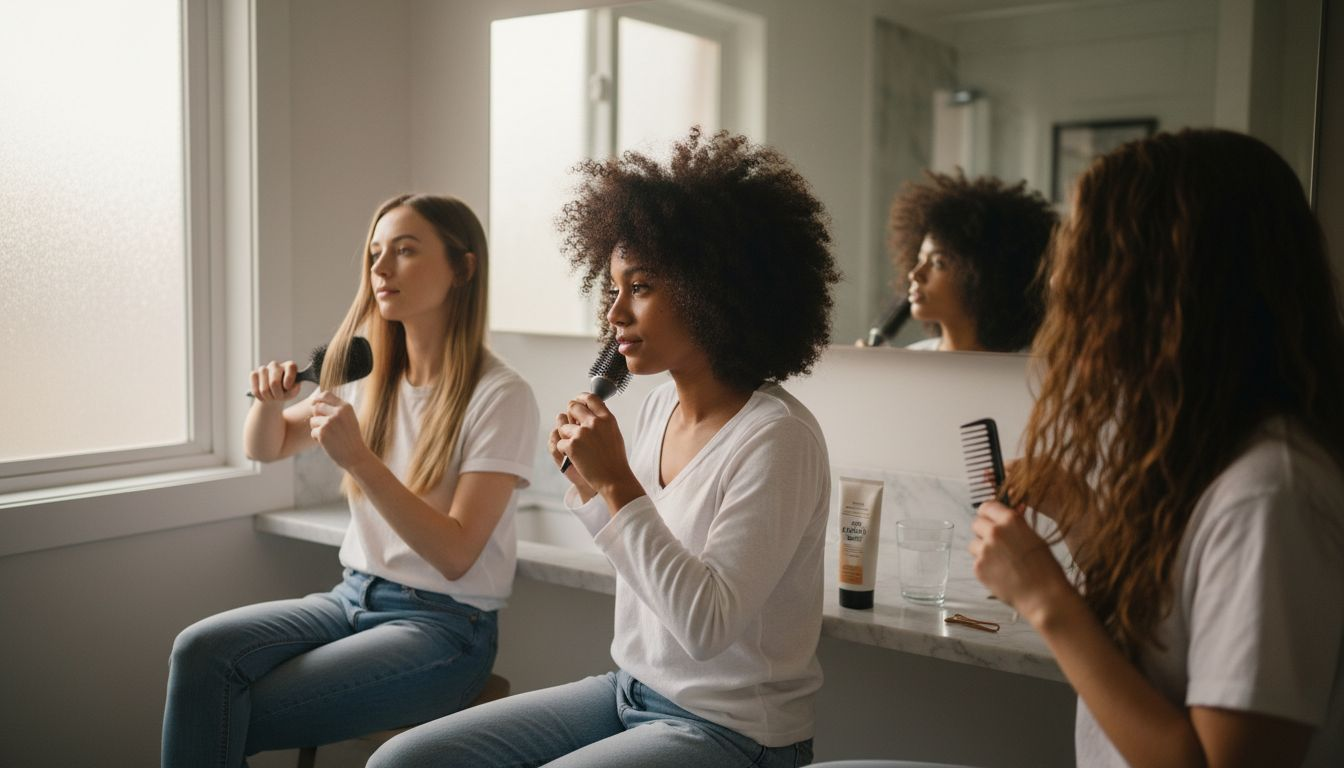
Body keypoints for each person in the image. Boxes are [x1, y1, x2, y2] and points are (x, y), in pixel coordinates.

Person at [369, 128, 840, 767]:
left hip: (732, 731)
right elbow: (643, 561)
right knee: (405, 761)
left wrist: (616, 484)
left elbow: (704, 627)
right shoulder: (654, 409)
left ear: (716, 292)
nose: (614, 313)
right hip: (630, 691)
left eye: (639, 287)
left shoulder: (777, 438)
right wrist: (593, 487)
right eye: (612, 287)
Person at [970, 129, 1344, 766]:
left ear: (1169, 283)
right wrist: (1088, 526)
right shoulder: (1207, 453)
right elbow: (1173, 645)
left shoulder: (1271, 496)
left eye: (1086, 252)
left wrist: (1046, 599)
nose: (1060, 277)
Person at [161, 194, 539, 767]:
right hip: (351, 598)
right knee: (200, 654)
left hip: (443, 629)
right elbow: (266, 446)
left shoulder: (501, 396)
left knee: (215, 712)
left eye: (405, 251)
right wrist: (269, 402)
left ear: (463, 268)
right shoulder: (367, 376)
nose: (380, 269)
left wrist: (361, 460)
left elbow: (457, 553)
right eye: (375, 254)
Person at [888, 170, 1056, 351]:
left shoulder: (1029, 372)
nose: (915, 274)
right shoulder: (911, 358)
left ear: (987, 278)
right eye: (919, 259)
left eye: (938, 263)